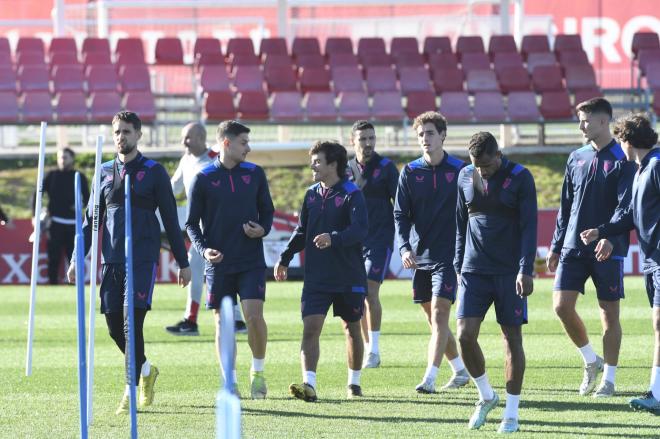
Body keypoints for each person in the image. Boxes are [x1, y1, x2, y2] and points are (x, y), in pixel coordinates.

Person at [67, 111, 192, 415]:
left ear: (138, 135)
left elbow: (171, 221)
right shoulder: (104, 172)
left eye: (126, 131)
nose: (121, 137)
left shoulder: (154, 171)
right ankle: (147, 369)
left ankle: (129, 389)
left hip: (141, 259)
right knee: (114, 328)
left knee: (130, 323)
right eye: (117, 132)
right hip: (111, 261)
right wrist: (76, 256)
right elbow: (89, 220)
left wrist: (182, 260)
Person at [546, 98, 636, 397]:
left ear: (602, 121)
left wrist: (610, 237)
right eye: (579, 120)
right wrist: (557, 244)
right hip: (573, 245)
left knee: (609, 314)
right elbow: (566, 206)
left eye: (585, 120)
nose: (580, 125)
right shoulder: (576, 157)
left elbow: (627, 206)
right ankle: (591, 361)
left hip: (608, 247)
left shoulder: (624, 158)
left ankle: (609, 379)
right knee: (561, 306)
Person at [455, 132, 537, 433]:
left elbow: (530, 227)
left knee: (511, 338)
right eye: (477, 165)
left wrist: (525, 269)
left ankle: (512, 414)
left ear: (498, 155)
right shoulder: (464, 176)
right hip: (473, 270)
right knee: (464, 335)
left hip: (509, 271)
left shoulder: (520, 177)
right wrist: (457, 263)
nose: (482, 171)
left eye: (487, 166)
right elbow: (460, 223)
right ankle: (486, 396)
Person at [185, 120, 273, 399]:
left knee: (254, 318)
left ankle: (257, 373)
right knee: (223, 323)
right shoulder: (203, 178)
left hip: (250, 261)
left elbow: (267, 213)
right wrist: (203, 250)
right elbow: (191, 224)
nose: (249, 148)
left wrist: (263, 229)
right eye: (244, 142)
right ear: (226, 143)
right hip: (219, 264)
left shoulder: (256, 174)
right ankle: (229, 381)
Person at [274, 140, 368, 401]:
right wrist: (285, 256)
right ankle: (310, 385)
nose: (312, 165)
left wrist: (334, 238)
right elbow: (302, 230)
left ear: (333, 164)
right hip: (316, 276)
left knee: (351, 328)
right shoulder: (311, 194)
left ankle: (354, 382)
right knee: (310, 327)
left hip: (348, 275)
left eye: (317, 161)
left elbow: (360, 230)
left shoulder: (352, 194)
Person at [580, 113, 660, 414]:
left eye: (620, 139)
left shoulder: (656, 165)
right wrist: (603, 231)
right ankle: (656, 392)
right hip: (653, 260)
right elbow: (630, 215)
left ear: (627, 139)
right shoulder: (641, 169)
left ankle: (656, 393)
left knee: (659, 324)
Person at [394, 111, 469, 393]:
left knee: (439, 315)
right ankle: (460, 370)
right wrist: (404, 247)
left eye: (430, 133)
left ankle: (430, 378)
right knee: (432, 318)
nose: (425, 139)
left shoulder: (461, 170)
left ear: (443, 136)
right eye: (421, 134)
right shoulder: (410, 172)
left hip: (450, 257)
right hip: (421, 257)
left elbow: (472, 213)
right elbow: (401, 214)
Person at [165, 122, 246, 336]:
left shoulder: (217, 156)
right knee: (196, 268)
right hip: (200, 230)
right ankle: (192, 320)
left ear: (201, 138)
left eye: (188, 138)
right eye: (183, 137)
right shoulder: (186, 160)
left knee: (225, 272)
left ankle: (234, 320)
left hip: (223, 227)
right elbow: (173, 188)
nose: (184, 142)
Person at [346, 120, 398, 368]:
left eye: (371, 138)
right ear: (352, 141)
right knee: (357, 295)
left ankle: (374, 350)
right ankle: (368, 349)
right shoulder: (345, 170)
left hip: (380, 239)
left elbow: (400, 205)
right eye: (363, 139)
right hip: (353, 242)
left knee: (369, 290)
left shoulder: (387, 168)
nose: (368, 143)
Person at [32, 147, 89, 284]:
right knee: (53, 257)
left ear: (72, 159)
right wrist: (36, 214)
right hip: (55, 223)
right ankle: (53, 285)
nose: (62, 160)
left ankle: (73, 286)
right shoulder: (51, 175)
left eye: (65, 157)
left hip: (73, 225)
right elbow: (37, 194)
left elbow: (88, 198)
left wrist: (80, 205)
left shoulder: (79, 176)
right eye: (59, 157)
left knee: (73, 258)